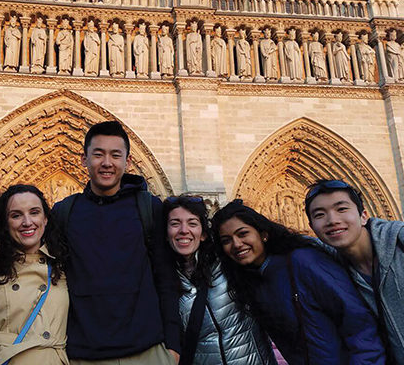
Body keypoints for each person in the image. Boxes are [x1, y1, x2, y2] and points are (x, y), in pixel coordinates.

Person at [52, 120, 180, 364]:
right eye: (98, 154)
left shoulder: (149, 208)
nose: (107, 163)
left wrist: (173, 346)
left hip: (148, 352)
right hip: (83, 355)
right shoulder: (64, 212)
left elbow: (166, 277)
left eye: (115, 155)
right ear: (84, 159)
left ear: (128, 162)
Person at [211, 200, 386, 365]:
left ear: (263, 234)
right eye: (226, 240)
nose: (236, 244)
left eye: (243, 234)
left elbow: (359, 323)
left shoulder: (304, 261)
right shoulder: (251, 282)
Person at [0, 184, 69, 364]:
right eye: (16, 215)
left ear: (45, 219)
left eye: (34, 212)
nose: (27, 222)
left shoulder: (64, 266)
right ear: (5, 223)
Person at [163, 195, 276, 365]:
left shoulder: (230, 262)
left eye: (192, 223)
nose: (184, 230)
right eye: (175, 224)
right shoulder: (161, 282)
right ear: (165, 234)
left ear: (203, 234)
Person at [305, 179, 404, 362]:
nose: (332, 220)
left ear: (364, 216)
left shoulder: (400, 241)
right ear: (312, 227)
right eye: (319, 215)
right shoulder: (332, 267)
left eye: (342, 209)